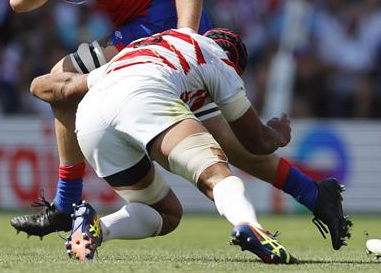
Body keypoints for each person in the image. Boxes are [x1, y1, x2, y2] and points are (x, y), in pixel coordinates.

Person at [9, 0, 351, 251]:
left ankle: (68, 204)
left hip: (167, 32)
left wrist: (185, 42)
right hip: (132, 38)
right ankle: (314, 193)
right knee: (232, 146)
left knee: (61, 78)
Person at [30, 28, 297, 263]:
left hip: (90, 117)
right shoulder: (219, 59)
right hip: (145, 96)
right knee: (217, 175)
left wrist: (34, 83)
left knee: (166, 213)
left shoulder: (145, 48)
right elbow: (256, 142)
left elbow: (63, 88)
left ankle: (94, 228)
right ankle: (250, 225)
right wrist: (278, 135)